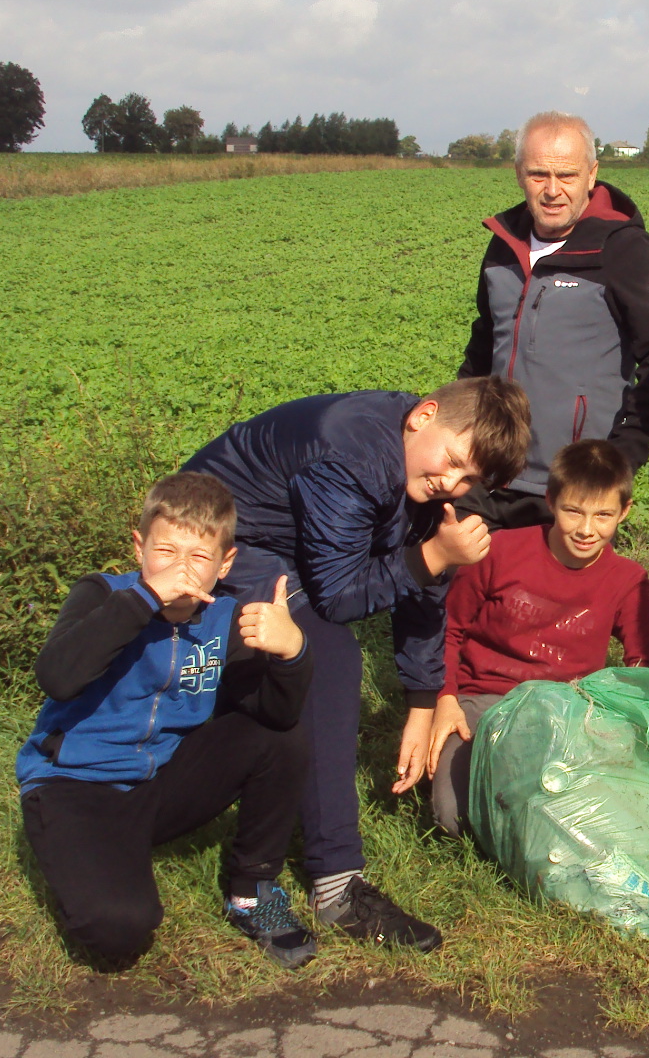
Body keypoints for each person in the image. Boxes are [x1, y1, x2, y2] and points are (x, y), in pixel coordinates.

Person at [181, 377, 530, 951]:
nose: (453, 482)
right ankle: (336, 885)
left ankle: (296, 846)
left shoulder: (423, 471)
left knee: (316, 657)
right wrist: (437, 554)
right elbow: (340, 596)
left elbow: (423, 589)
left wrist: (422, 699)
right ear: (424, 415)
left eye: (470, 480)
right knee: (327, 653)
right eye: (453, 462)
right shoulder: (353, 454)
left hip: (291, 546)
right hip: (222, 543)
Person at [18, 472, 316, 970]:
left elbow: (277, 718)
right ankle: (82, 852)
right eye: (166, 552)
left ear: (225, 565)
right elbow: (57, 677)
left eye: (199, 558)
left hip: (160, 780)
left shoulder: (225, 620)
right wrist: (142, 601)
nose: (180, 570)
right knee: (119, 934)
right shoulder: (102, 595)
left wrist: (292, 653)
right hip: (75, 785)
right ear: (139, 548)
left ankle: (252, 892)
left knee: (278, 736)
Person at [395, 438, 649, 835]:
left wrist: (624, 723)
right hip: (481, 703)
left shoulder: (627, 579)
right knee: (455, 818)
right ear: (551, 499)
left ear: (624, 511)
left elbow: (647, 667)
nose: (587, 529)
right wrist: (447, 698)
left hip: (566, 710)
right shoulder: (498, 551)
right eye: (573, 511)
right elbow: (448, 629)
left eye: (603, 515)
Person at [460, 110, 649, 529]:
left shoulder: (623, 249)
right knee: (468, 590)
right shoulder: (503, 245)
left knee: (563, 596)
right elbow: (482, 348)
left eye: (566, 175)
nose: (552, 190)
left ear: (592, 174)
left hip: (573, 487)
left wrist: (623, 454)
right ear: (517, 173)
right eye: (538, 174)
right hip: (489, 476)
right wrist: (459, 432)